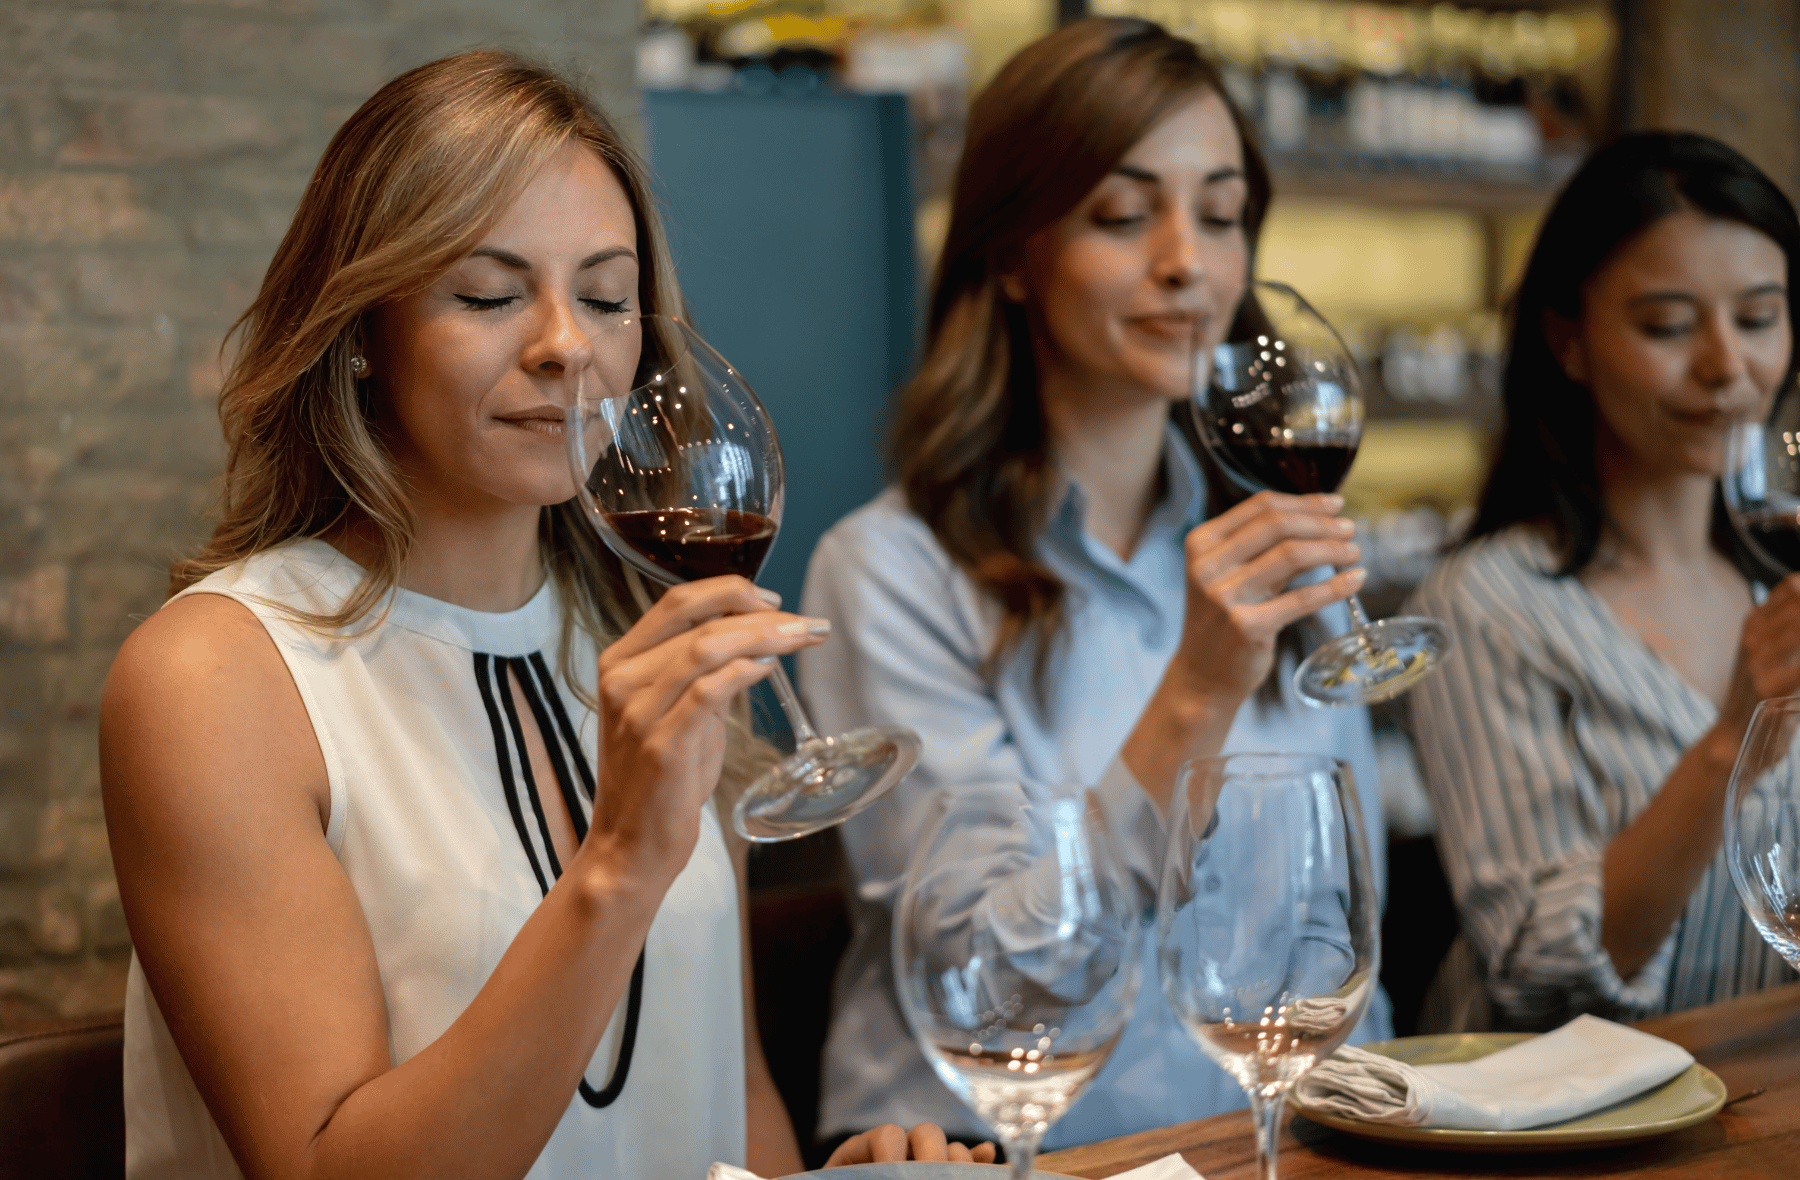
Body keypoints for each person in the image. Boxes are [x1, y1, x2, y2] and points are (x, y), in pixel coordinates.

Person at [101, 50, 988, 1180]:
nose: (568, 343)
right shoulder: (218, 677)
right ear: (364, 330)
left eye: (607, 297)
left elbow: (728, 1092)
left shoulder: (639, 634)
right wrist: (616, 864)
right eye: (488, 292)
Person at [797, 18, 1391, 1151]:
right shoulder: (889, 568)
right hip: (989, 1155)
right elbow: (993, 980)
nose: (1188, 261)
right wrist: (1196, 691)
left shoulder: (1277, 544)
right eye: (1124, 216)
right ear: (1012, 255)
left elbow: (1335, 936)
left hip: (1251, 1146)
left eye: (1220, 215)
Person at [1406, 131, 1800, 1034]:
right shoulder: (1486, 604)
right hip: (1555, 1138)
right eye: (1667, 325)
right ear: (1568, 341)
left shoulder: (1772, 579)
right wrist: (1735, 736)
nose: (1726, 368)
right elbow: (1537, 977)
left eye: (1759, 317)